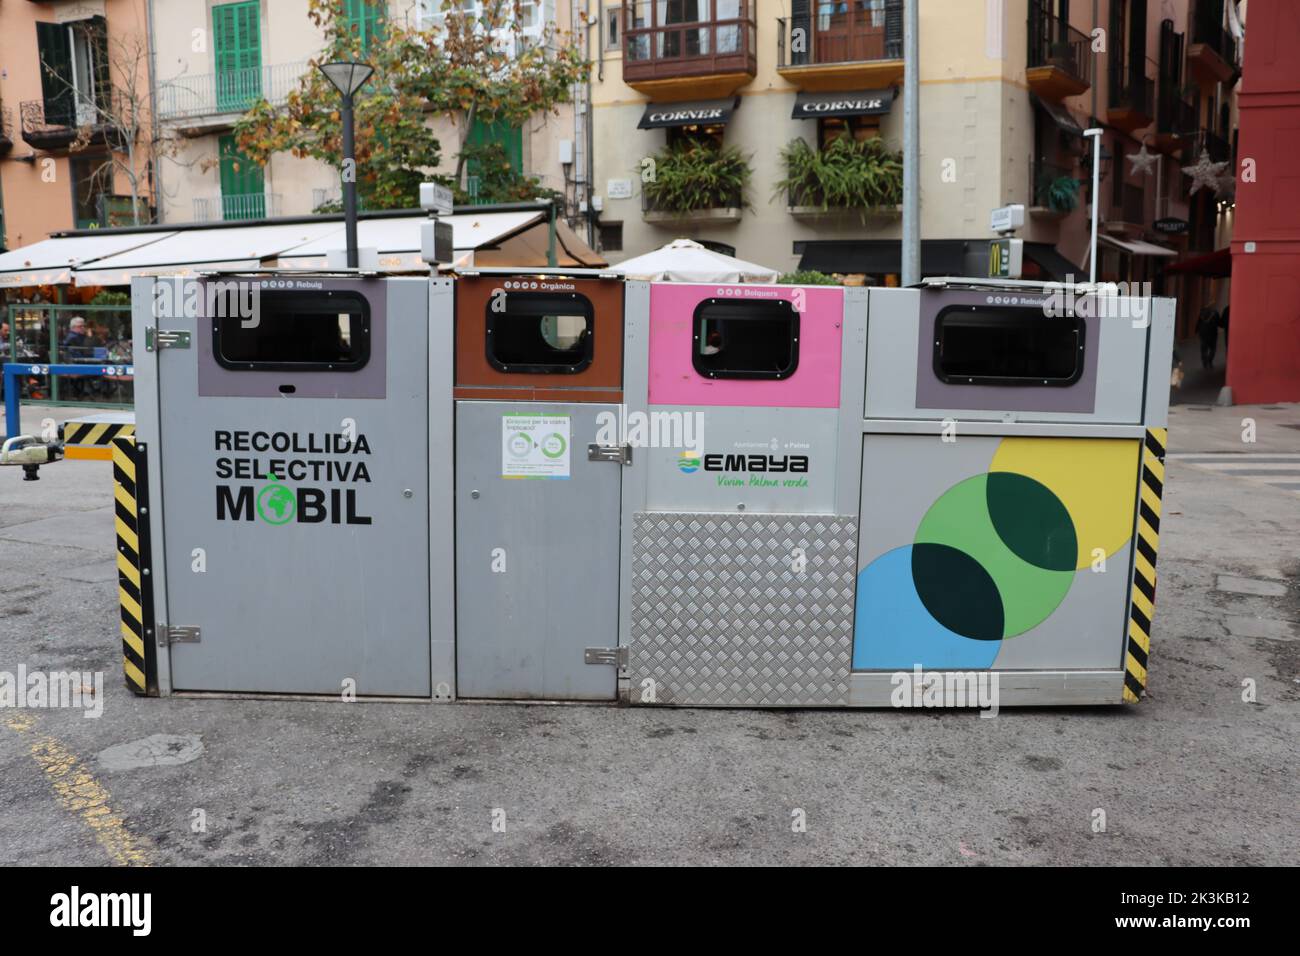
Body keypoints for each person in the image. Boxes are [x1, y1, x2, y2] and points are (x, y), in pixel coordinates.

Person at [1196, 305, 1220, 369]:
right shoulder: (1215, 313)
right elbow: (1219, 322)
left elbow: (1199, 322)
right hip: (1213, 333)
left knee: (1204, 349)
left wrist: (1196, 330)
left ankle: (1205, 362)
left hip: (1203, 333)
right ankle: (1210, 361)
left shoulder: (1202, 312)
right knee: (1213, 349)